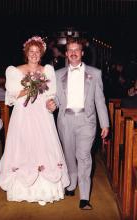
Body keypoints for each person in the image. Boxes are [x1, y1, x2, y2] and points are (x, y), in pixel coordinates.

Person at [0, 36, 69, 206]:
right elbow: (13, 95)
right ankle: (22, 189)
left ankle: (45, 190)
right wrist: (31, 85)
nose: (34, 54)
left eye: (38, 52)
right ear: (26, 53)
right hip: (23, 114)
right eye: (31, 51)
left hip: (42, 115)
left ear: (42, 54)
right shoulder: (14, 71)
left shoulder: (48, 70)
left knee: (43, 146)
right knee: (23, 146)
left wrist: (50, 103)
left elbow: (50, 95)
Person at [46, 37, 109, 210]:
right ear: (66, 54)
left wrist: (105, 123)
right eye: (70, 50)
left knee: (84, 156)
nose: (73, 53)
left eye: (77, 50)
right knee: (68, 155)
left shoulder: (95, 73)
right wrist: (52, 105)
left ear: (82, 53)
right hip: (65, 121)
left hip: (86, 121)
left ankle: (84, 197)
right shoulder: (58, 75)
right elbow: (56, 100)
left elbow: (100, 100)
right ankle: (72, 182)